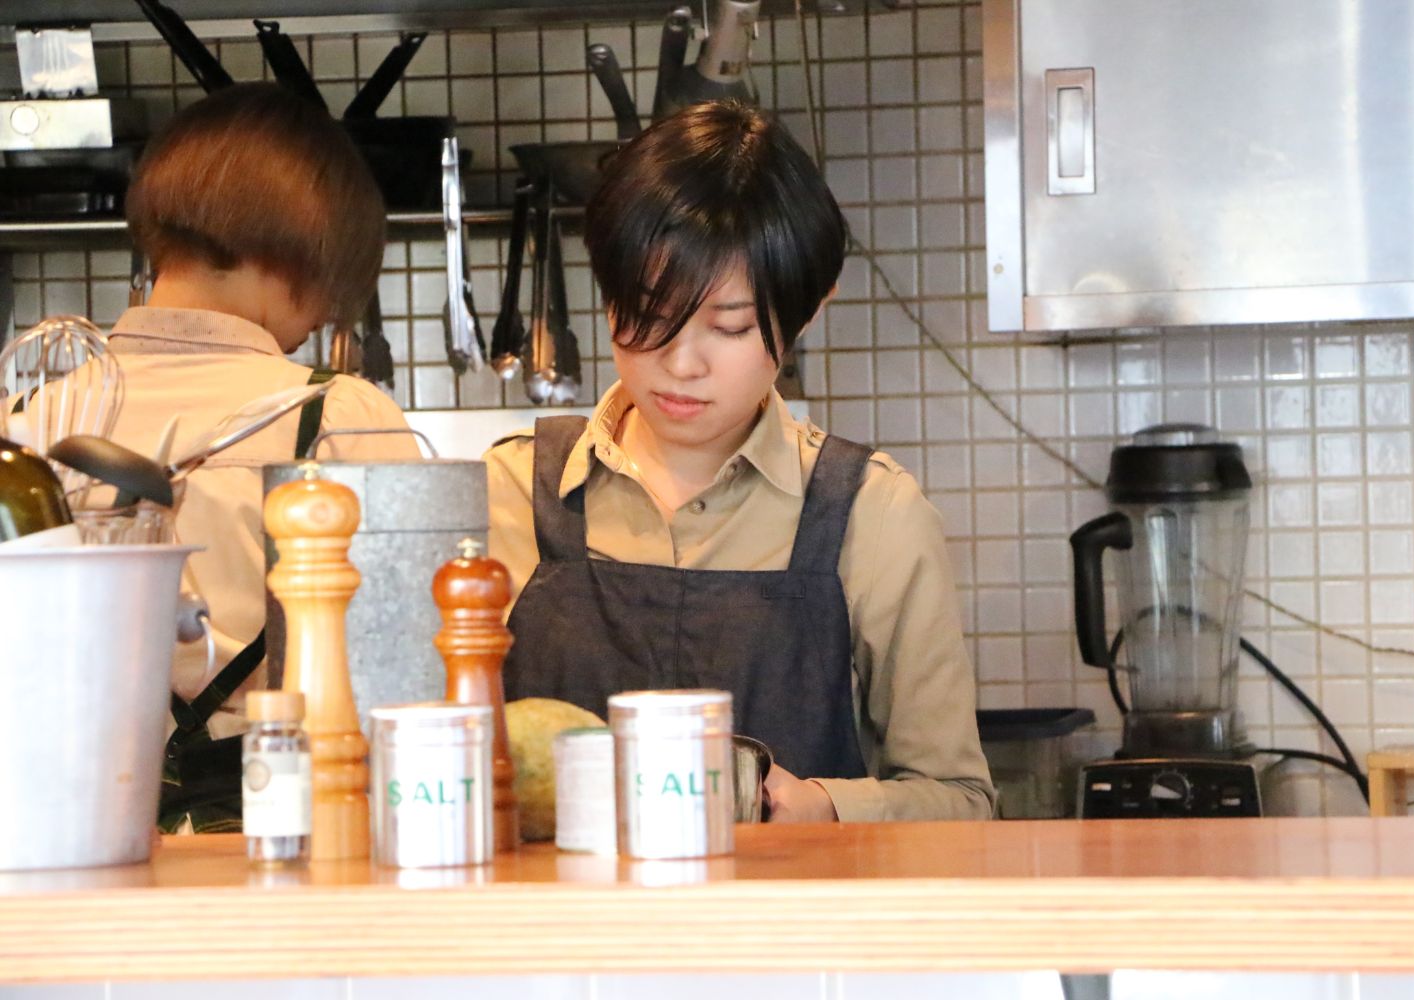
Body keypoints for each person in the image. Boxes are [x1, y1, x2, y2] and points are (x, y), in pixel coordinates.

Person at [485, 101, 994, 822]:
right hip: (553, 933)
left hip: (788, 930)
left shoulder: (871, 515)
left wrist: (823, 807)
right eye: (648, 316)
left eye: (730, 326)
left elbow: (962, 802)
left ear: (809, 310)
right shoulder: (506, 493)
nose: (681, 363)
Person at [104, 83, 420, 828]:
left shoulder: (23, 419)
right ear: (301, 257)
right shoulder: (339, 414)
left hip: (64, 837)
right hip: (289, 837)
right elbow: (410, 673)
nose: (324, 318)